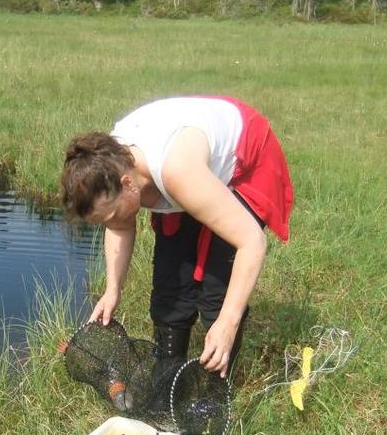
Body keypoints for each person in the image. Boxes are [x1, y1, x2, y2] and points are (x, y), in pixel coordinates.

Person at [60, 95, 294, 379]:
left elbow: (252, 242)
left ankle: (217, 389)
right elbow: (120, 226)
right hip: (185, 168)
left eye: (111, 216)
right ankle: (169, 376)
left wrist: (228, 322)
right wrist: (113, 289)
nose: (114, 223)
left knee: (216, 295)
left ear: (127, 184)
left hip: (244, 158)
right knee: (171, 284)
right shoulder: (107, 165)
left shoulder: (177, 171)